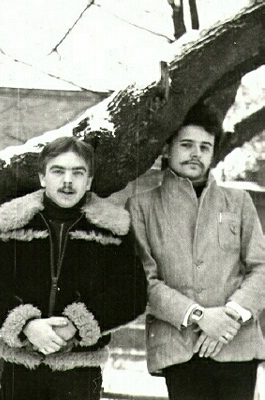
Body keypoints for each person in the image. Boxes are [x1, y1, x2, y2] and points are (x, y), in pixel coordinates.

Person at [0, 136, 147, 400]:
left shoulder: (111, 228)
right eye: (58, 171)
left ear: (89, 181)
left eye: (78, 173)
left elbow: (132, 293)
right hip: (22, 368)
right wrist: (28, 325)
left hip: (80, 371)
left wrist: (76, 324)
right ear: (42, 178)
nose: (68, 181)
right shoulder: (13, 223)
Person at [127, 104, 265, 400]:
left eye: (205, 147)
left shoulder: (238, 201)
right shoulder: (142, 207)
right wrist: (200, 316)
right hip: (180, 347)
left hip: (237, 343)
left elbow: (261, 267)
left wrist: (230, 318)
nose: (196, 154)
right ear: (167, 149)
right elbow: (144, 280)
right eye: (186, 145)